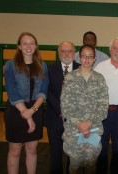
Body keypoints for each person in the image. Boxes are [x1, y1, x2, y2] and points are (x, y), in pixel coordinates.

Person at [4, 32, 49, 174]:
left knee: (32, 149)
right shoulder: (10, 65)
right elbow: (12, 92)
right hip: (16, 111)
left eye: (31, 43)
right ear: (19, 46)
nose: (28, 46)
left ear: (36, 46)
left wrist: (33, 110)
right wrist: (27, 115)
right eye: (25, 43)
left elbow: (43, 91)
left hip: (36, 110)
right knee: (15, 151)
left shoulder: (43, 65)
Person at [61, 44, 109, 174]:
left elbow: (103, 107)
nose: (87, 59)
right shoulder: (70, 78)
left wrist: (88, 124)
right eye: (84, 56)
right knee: (74, 166)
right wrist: (79, 124)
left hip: (93, 130)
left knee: (91, 166)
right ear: (79, 58)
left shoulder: (99, 79)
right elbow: (65, 105)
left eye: (90, 56)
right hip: (74, 131)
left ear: (94, 59)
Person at [94, 37, 118, 174]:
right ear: (110, 50)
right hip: (102, 112)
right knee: (101, 147)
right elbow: (94, 91)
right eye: (115, 48)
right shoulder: (100, 67)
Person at [44, 41, 80, 174]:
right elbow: (46, 91)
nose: (66, 54)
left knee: (73, 154)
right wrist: (61, 109)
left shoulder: (81, 69)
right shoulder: (49, 69)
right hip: (54, 116)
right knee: (55, 152)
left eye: (69, 51)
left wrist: (71, 111)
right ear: (59, 53)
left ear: (74, 52)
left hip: (75, 119)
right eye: (63, 51)